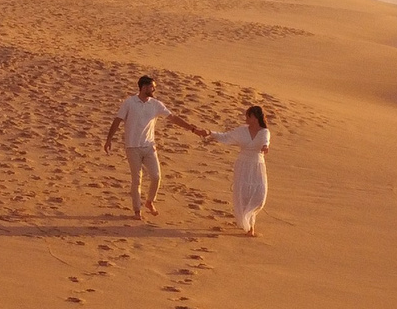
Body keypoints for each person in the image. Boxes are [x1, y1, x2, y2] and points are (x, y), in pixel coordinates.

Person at [102, 75, 202, 219]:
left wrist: (192, 128)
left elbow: (173, 118)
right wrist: (109, 139)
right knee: (137, 179)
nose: (153, 89)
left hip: (149, 147)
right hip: (132, 147)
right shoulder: (129, 103)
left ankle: (149, 202)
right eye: (151, 87)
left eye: (154, 86)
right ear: (143, 87)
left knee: (156, 176)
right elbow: (117, 120)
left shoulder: (156, 104)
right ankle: (137, 210)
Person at [205, 106, 272, 235]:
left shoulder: (264, 131)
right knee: (243, 192)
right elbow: (225, 137)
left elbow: (266, 141)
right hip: (243, 164)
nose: (246, 118)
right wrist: (210, 133)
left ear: (256, 117)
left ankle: (249, 218)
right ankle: (250, 226)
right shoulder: (242, 130)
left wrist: (265, 147)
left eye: (249, 116)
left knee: (259, 194)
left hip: (257, 165)